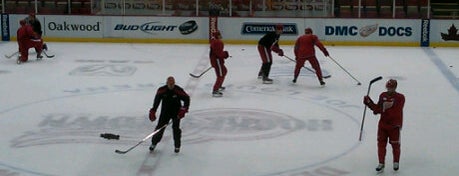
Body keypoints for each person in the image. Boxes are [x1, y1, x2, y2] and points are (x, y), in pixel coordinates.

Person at [363, 79, 405, 172]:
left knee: (395, 145)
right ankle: (381, 163)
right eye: (388, 87)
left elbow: (394, 112)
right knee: (381, 144)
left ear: (395, 87)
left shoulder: (400, 98)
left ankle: (396, 162)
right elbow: (377, 109)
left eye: (391, 88)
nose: (389, 89)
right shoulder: (383, 95)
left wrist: (383, 109)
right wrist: (369, 103)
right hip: (383, 125)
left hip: (394, 126)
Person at [148, 76, 190, 153]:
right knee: (159, 129)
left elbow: (187, 98)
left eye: (173, 84)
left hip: (176, 113)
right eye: (170, 84)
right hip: (165, 113)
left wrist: (183, 110)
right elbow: (156, 101)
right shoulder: (161, 90)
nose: (171, 86)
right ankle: (154, 143)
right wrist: (153, 111)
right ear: (167, 83)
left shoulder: (178, 90)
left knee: (176, 129)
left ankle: (177, 146)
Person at [209, 30, 230, 97]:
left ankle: (219, 86)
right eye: (219, 34)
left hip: (216, 60)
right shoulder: (218, 42)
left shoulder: (214, 41)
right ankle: (215, 90)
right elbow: (219, 53)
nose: (221, 35)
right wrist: (225, 54)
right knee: (220, 75)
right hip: (217, 61)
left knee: (224, 71)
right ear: (217, 35)